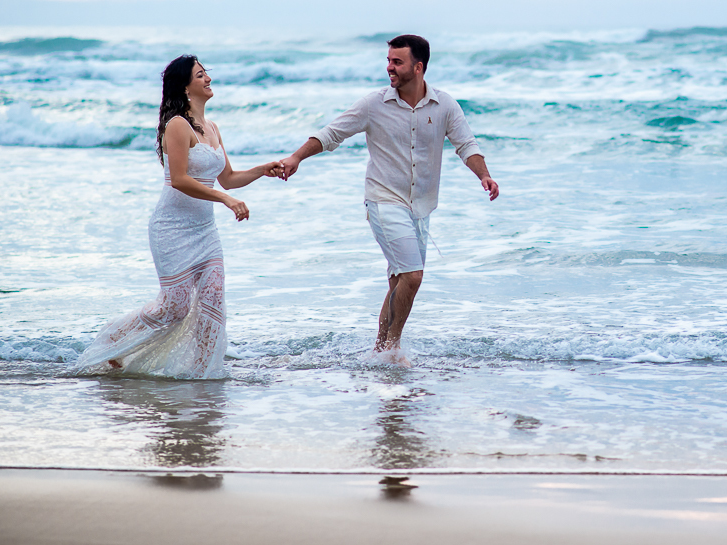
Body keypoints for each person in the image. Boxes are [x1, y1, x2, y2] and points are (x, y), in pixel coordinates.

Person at [279, 34, 498, 366]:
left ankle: (380, 353)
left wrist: (483, 174)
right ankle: (391, 350)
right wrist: (296, 158)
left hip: (421, 206)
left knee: (400, 279)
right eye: (388, 61)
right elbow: (331, 133)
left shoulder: (445, 106)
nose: (389, 68)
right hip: (383, 201)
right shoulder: (373, 104)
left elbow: (466, 145)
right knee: (412, 275)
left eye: (397, 62)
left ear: (418, 66)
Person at [73, 55, 281, 379]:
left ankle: (202, 375)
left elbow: (228, 177)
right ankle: (114, 342)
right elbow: (180, 180)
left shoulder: (212, 128)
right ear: (186, 87)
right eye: (201, 75)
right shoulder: (177, 125)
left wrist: (261, 170)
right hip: (171, 229)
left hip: (205, 231)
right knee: (175, 307)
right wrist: (226, 200)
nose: (209, 79)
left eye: (207, 73)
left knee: (213, 300)